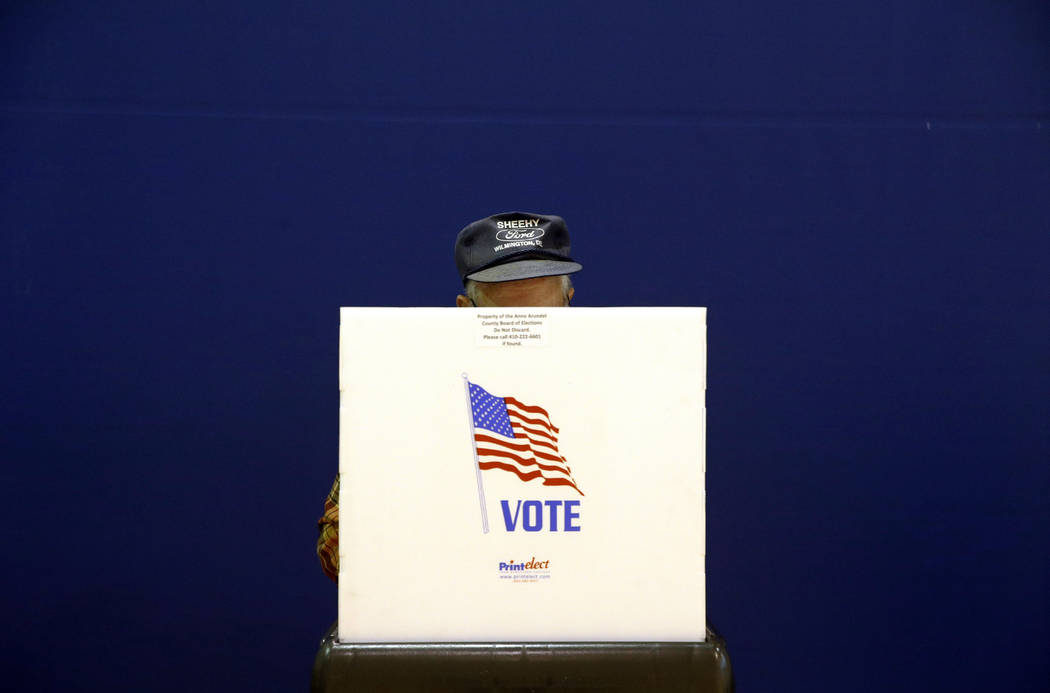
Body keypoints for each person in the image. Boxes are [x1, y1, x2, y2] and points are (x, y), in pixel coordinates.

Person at [317, 211, 583, 581]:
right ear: (464, 311)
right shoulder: (410, 398)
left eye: (544, 316)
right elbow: (335, 550)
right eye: (505, 319)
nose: (528, 332)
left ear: (571, 302)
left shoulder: (624, 394)